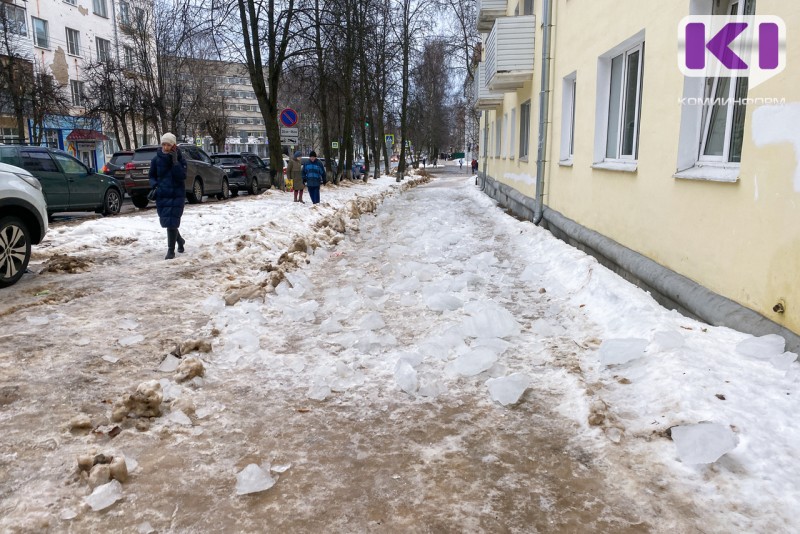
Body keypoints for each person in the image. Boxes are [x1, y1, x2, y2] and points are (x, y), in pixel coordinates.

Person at [149, 132, 187, 260]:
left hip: (177, 194)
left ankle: (171, 251)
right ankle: (180, 240)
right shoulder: (156, 159)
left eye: (168, 145)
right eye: (164, 144)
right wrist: (155, 185)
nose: (165, 147)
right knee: (168, 221)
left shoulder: (180, 159)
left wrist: (175, 161)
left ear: (173, 146)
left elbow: (182, 176)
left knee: (172, 221)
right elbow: (152, 175)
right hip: (163, 194)